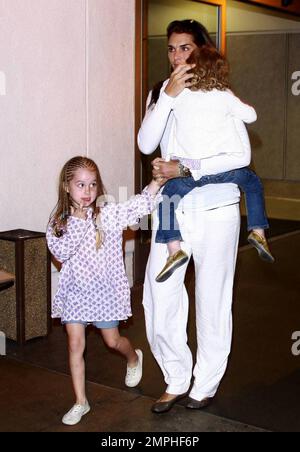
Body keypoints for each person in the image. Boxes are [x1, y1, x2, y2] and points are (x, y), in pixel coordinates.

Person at [138, 19, 255, 413]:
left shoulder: (219, 92)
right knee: (160, 295)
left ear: (201, 50)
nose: (177, 55)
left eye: (185, 47)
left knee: (212, 298)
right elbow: (145, 142)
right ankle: (175, 376)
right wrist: (167, 97)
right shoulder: (162, 92)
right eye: (171, 48)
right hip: (172, 207)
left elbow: (241, 156)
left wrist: (185, 167)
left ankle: (204, 383)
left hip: (217, 209)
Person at [46, 156, 163, 425]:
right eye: (80, 184)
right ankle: (80, 401)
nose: (87, 192)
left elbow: (135, 207)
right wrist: (77, 220)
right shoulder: (59, 222)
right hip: (76, 292)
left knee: (113, 342)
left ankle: (134, 357)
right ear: (66, 187)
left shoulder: (106, 216)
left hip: (105, 293)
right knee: (75, 344)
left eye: (93, 184)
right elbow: (61, 251)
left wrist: (155, 184)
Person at [155, 45, 274, 283]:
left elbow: (168, 133)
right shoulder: (224, 97)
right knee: (252, 183)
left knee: (167, 198)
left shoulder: (181, 98)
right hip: (227, 172)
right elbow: (251, 116)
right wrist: (231, 99)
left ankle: (173, 248)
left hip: (188, 173)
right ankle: (258, 231)